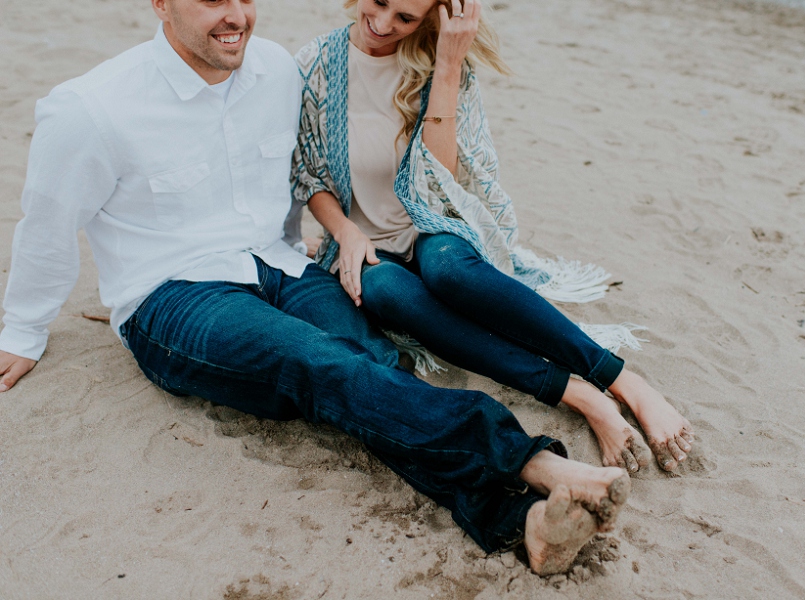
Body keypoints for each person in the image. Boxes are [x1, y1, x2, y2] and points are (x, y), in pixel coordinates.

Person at [0, 0, 633, 576]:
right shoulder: (92, 106)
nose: (235, 17)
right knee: (320, 364)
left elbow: (303, 174)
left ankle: (518, 523)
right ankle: (539, 465)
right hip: (176, 296)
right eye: (213, 1)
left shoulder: (275, 70)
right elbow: (48, 223)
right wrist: (23, 330)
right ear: (161, 3)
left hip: (280, 265)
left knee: (377, 365)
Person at [290, 0, 694, 473]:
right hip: (366, 244)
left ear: (430, 19)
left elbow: (446, 176)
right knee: (383, 291)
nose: (383, 25)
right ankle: (581, 395)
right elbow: (309, 175)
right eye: (379, 4)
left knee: (448, 270)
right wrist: (345, 231)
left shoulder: (440, 63)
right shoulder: (315, 63)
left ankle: (624, 381)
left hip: (432, 227)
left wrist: (447, 62)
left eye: (405, 18)